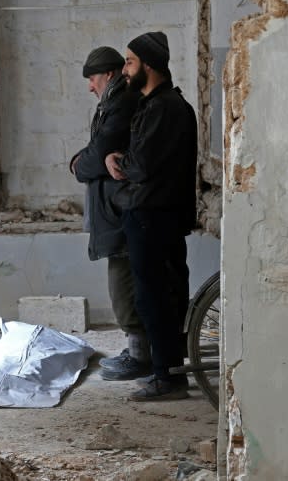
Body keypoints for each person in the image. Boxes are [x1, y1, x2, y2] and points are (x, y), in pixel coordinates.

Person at [104, 32, 198, 401]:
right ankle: (171, 369)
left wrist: (116, 161)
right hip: (159, 212)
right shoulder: (160, 104)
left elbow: (141, 165)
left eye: (129, 62)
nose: (124, 70)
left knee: (154, 297)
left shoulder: (163, 108)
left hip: (151, 213)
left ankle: (167, 378)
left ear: (148, 65)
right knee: (167, 294)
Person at [70, 46, 151, 380]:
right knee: (127, 279)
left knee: (124, 283)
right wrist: (85, 160)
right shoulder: (113, 102)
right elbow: (95, 152)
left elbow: (99, 151)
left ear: (110, 74)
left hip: (121, 207)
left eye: (92, 78)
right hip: (116, 206)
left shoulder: (121, 102)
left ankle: (140, 356)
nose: (90, 86)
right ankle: (139, 350)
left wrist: (82, 165)